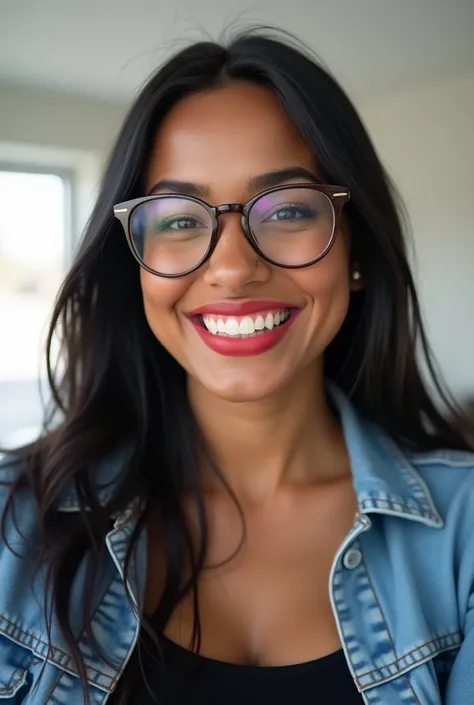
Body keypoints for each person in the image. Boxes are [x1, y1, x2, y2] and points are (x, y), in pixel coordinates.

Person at [0, 28, 473, 705]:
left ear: (356, 245)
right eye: (178, 219)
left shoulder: (466, 533)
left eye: (286, 209)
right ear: (133, 263)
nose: (232, 267)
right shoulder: (12, 525)